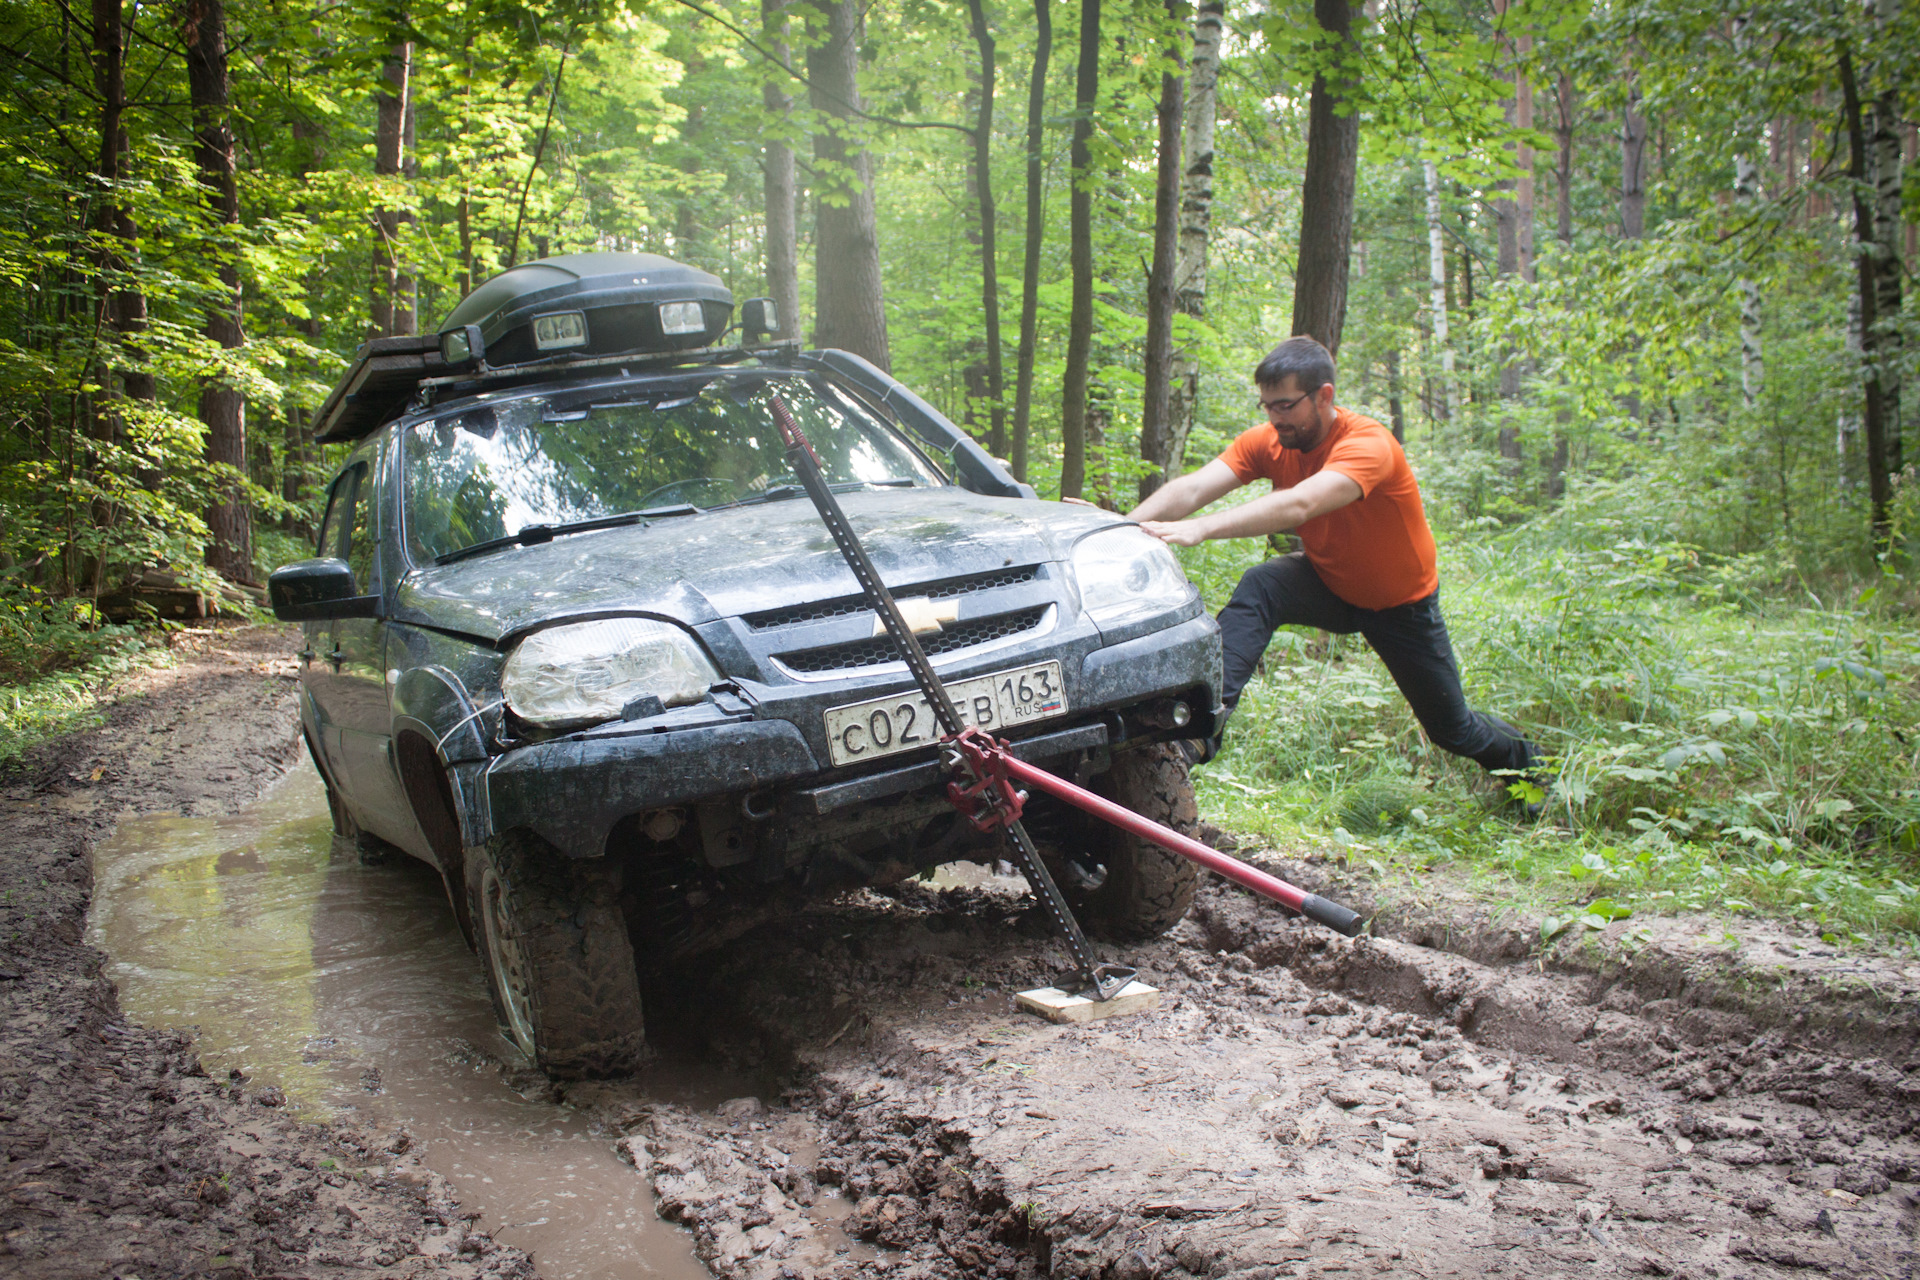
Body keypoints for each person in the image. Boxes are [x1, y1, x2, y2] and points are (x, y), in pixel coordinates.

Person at [1125, 335, 1539, 791]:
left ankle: (1530, 763)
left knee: (1452, 729)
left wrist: (1202, 528)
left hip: (1401, 606)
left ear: (1324, 395)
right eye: (1266, 406)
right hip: (1329, 583)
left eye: (1285, 406)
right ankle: (1200, 731)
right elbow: (1193, 488)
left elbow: (1302, 503)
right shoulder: (1269, 441)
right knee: (1262, 586)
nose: (1274, 418)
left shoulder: (1369, 444)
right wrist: (1119, 527)